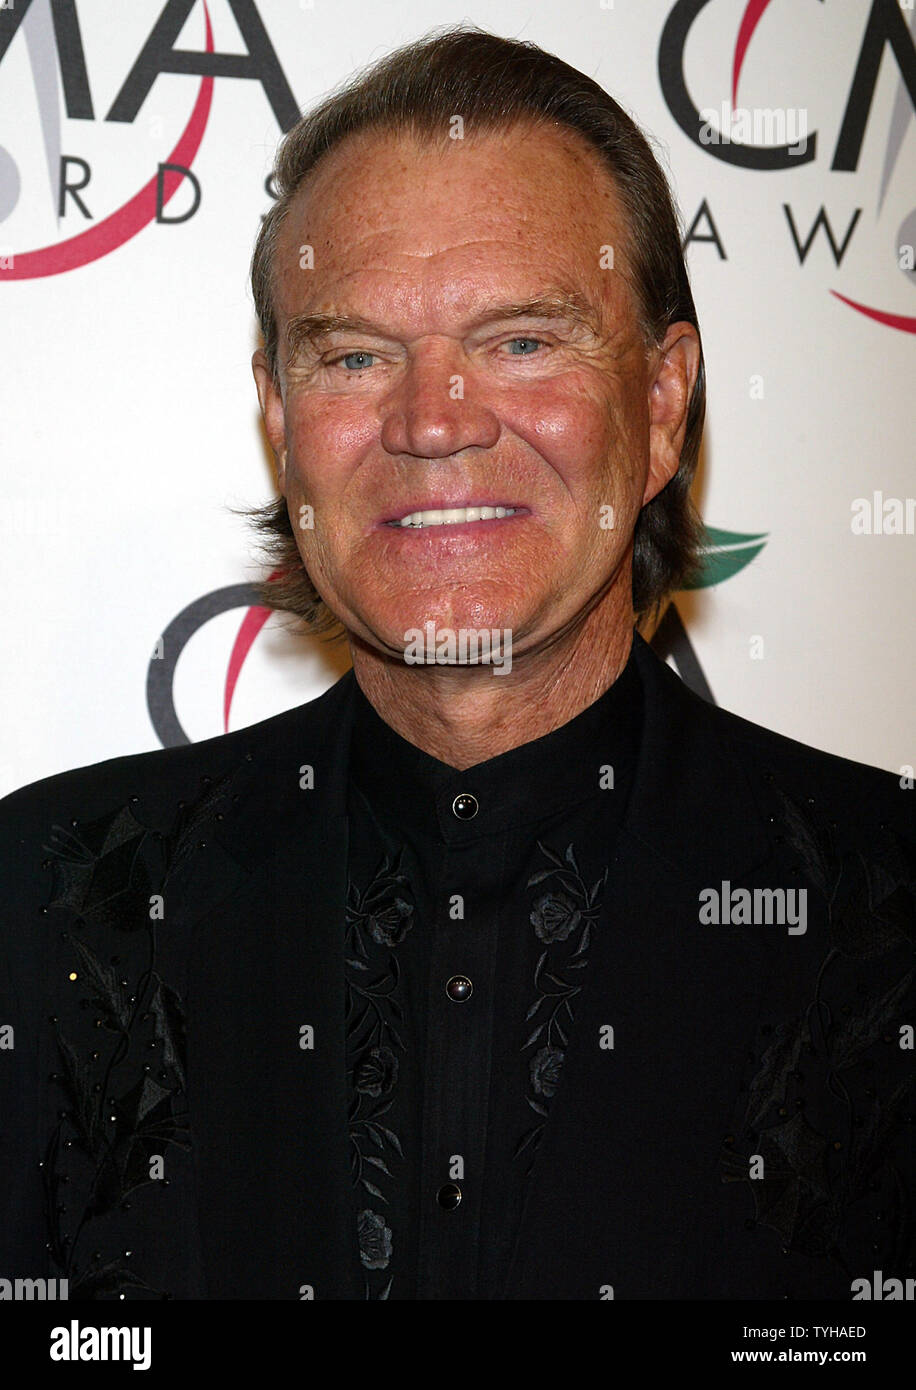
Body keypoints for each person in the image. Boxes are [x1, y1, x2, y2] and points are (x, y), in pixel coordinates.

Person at [1, 27, 912, 1302]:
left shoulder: (885, 903)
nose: (432, 421)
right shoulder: (54, 905)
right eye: (355, 354)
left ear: (660, 407)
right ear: (281, 421)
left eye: (523, 341)